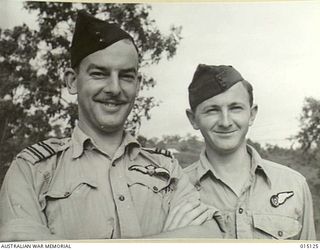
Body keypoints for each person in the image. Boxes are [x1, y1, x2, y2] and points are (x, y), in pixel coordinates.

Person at [0, 12, 223, 241]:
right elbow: (21, 245)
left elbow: (211, 237)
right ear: (72, 81)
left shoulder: (167, 168)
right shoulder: (32, 169)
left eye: (126, 76)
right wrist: (168, 239)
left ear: (138, 85)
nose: (114, 88)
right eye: (99, 74)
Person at [184, 64, 316, 240]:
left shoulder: (294, 185)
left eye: (235, 108)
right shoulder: (175, 190)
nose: (225, 122)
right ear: (193, 119)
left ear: (252, 114)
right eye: (212, 110)